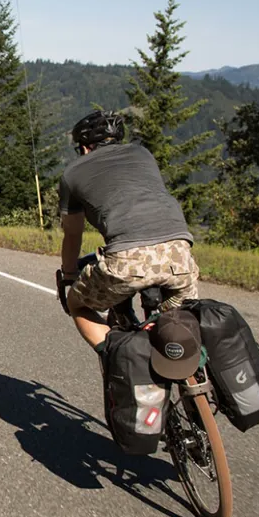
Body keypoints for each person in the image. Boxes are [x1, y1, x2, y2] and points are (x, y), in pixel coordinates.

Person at [56, 110, 200, 357]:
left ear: (86, 148)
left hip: (127, 260)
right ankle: (198, 385)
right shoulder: (142, 154)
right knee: (181, 340)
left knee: (77, 303)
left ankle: (122, 359)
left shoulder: (73, 173)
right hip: (180, 253)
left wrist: (69, 275)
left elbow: (73, 234)